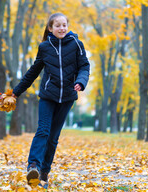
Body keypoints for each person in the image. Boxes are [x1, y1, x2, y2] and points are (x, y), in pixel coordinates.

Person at [12, 12, 90, 187]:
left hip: (67, 97)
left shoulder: (77, 44)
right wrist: (16, 92)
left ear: (67, 26)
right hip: (48, 96)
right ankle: (33, 166)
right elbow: (33, 72)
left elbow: (84, 66)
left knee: (53, 138)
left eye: (64, 25)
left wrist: (80, 82)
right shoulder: (45, 47)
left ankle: (44, 174)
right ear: (50, 28)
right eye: (57, 25)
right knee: (43, 131)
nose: (62, 28)